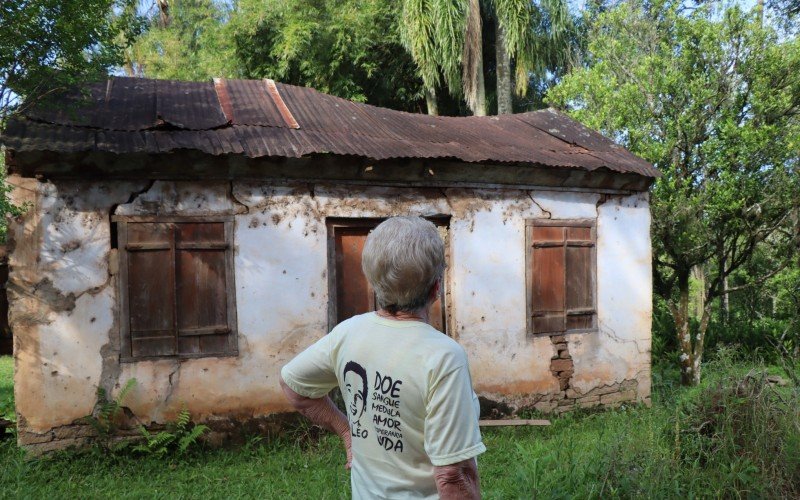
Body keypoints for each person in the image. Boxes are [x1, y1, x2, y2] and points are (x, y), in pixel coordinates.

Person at [280, 216, 485, 499]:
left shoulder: (349, 332)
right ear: (436, 287)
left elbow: (294, 386)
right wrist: (344, 429)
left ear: (375, 283)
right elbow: (452, 475)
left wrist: (345, 431)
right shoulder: (444, 357)